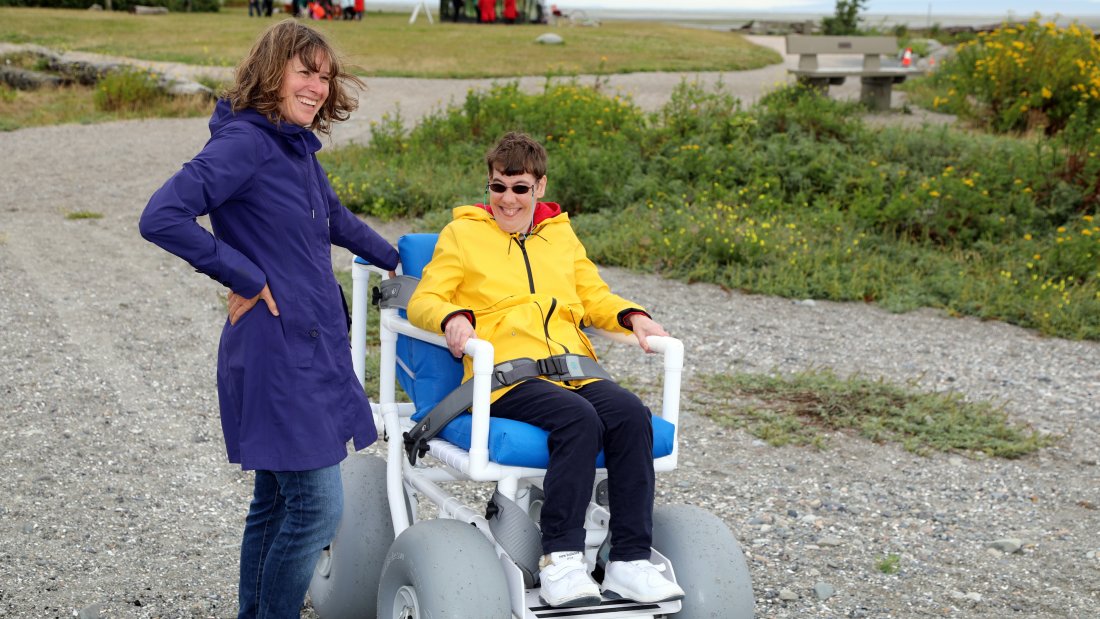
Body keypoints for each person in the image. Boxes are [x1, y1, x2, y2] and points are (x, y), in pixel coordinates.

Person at [138, 21, 399, 619]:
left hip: (311, 344)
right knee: (316, 509)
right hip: (274, 350)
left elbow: (337, 220)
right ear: (271, 71)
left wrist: (406, 261)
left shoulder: (294, 147)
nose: (317, 87)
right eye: (306, 72)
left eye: (325, 76)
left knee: (276, 502)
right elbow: (161, 216)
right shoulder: (245, 144)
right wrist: (243, 275)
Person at [406, 132, 686, 609]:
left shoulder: (560, 235)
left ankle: (630, 563)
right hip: (504, 376)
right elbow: (425, 299)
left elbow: (593, 295)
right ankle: (561, 561)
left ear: (540, 187)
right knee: (578, 418)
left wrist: (633, 316)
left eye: (520, 188)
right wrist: (453, 317)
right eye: (498, 187)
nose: (507, 200)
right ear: (488, 186)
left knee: (629, 413)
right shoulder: (463, 234)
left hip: (572, 369)